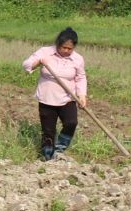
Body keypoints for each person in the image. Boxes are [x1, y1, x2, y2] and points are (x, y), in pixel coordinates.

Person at [23, 27, 87, 160]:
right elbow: (26, 65)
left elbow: (80, 78)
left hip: (67, 98)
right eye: (63, 47)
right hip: (47, 98)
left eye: (70, 49)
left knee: (71, 122)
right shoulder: (45, 52)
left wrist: (82, 95)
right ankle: (47, 156)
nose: (66, 51)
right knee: (48, 130)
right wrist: (38, 62)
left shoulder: (78, 59)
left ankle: (60, 149)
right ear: (58, 44)